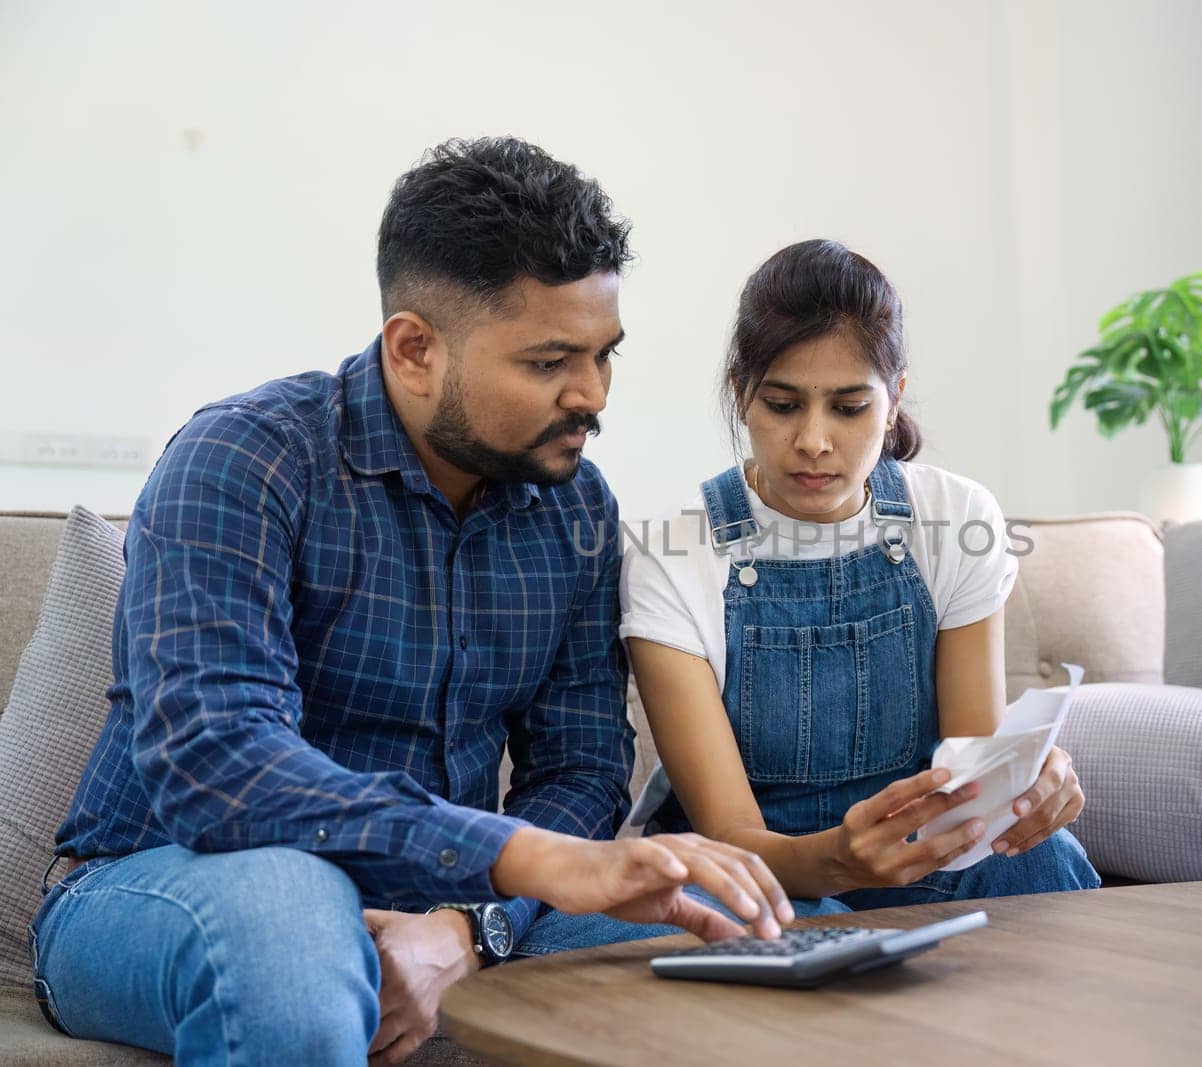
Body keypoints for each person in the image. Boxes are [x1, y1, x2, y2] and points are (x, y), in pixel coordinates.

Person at [29, 137, 793, 1067]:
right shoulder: (245, 459)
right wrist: (514, 856)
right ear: (415, 347)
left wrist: (470, 927)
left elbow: (584, 771)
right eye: (551, 361)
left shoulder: (576, 509)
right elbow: (217, 761)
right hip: (171, 883)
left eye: (603, 355)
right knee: (292, 919)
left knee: (767, 933)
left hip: (454, 905)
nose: (592, 395)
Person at [621, 239, 1101, 912]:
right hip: (758, 872)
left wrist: (1024, 792)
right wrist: (838, 862)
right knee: (708, 907)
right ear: (741, 394)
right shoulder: (673, 552)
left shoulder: (955, 517)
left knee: (1044, 860)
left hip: (914, 857)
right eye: (783, 405)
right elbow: (727, 832)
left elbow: (970, 775)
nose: (814, 440)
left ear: (894, 396)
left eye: (849, 407)